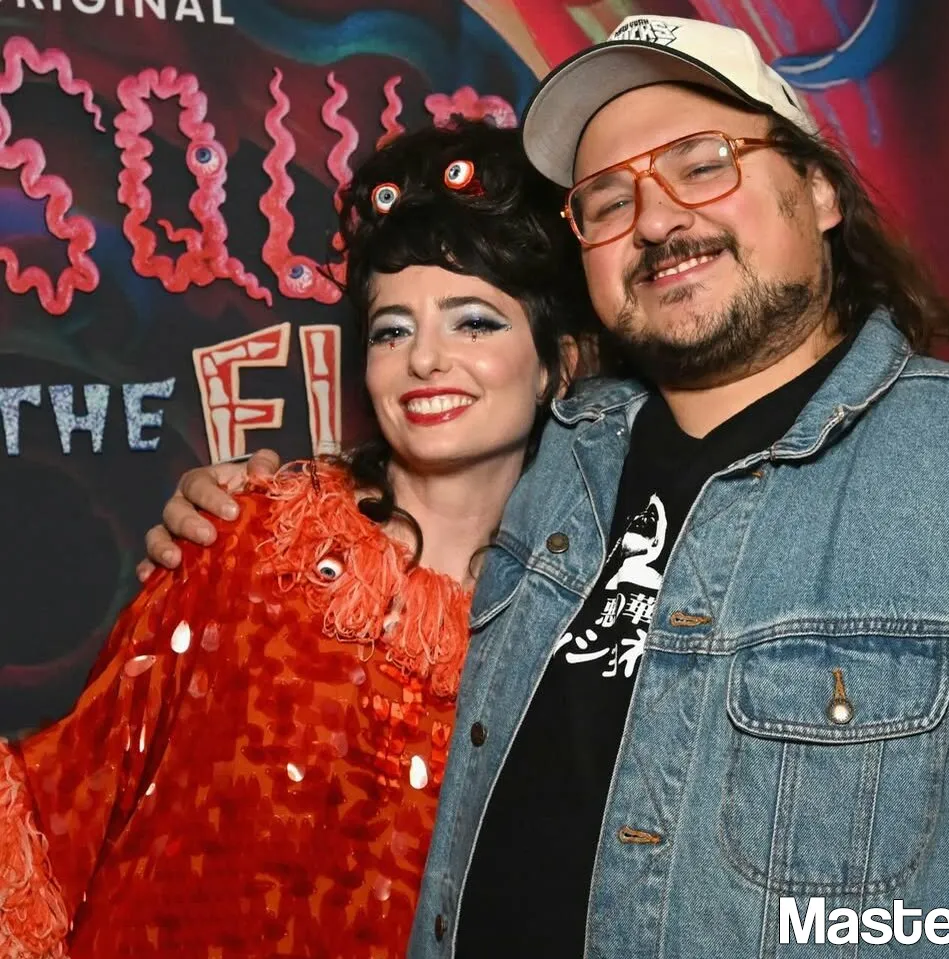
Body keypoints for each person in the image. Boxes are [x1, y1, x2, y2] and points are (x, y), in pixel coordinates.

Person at [138, 15, 949, 959]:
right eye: (609, 200)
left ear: (821, 189)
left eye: (702, 164)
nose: (658, 221)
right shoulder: (557, 459)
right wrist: (240, 531)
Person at [0, 120, 589, 958]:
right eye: (393, 328)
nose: (425, 359)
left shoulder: (583, 633)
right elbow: (71, 801)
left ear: (559, 365)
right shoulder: (250, 540)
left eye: (474, 322)